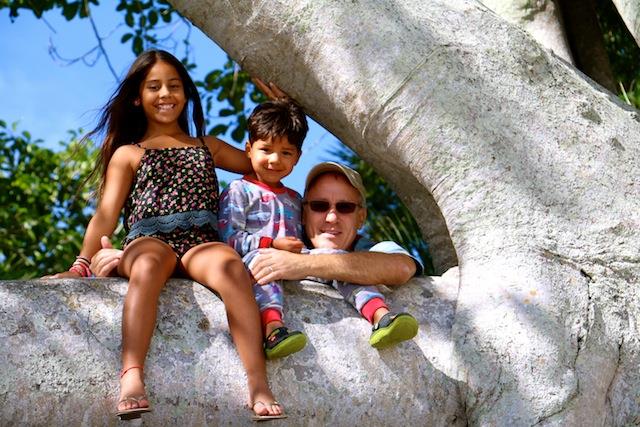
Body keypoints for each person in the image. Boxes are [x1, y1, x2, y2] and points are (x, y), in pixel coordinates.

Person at [44, 50, 285, 421]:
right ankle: (131, 375)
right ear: (137, 98)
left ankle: (258, 383)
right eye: (154, 87)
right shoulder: (129, 153)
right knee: (148, 264)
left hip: (201, 242)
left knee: (232, 269)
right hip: (149, 239)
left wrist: (282, 109)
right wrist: (80, 265)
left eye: (174, 86)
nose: (165, 94)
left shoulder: (208, 146)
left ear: (185, 94)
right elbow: (106, 215)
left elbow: (264, 162)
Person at [267, 162, 420, 348]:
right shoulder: (280, 244)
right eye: (319, 205)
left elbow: (402, 267)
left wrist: (301, 264)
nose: (331, 218)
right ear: (304, 214)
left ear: (361, 217)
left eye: (345, 207)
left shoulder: (375, 248)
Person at [217, 99, 310, 360]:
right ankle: (273, 329)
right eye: (266, 149)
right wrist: (272, 244)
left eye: (286, 153)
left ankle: (376, 312)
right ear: (249, 149)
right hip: (256, 262)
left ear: (297, 157)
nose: (274, 159)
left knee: (333, 259)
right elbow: (229, 238)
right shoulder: (239, 190)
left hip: (295, 264)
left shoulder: (296, 199)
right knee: (266, 261)